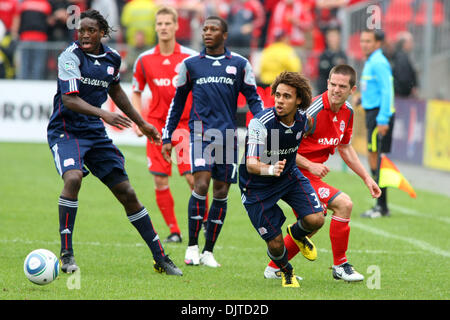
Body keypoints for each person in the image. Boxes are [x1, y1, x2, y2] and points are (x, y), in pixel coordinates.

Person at [47, 9, 182, 276]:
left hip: (94, 133)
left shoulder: (111, 58)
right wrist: (105, 114)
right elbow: (70, 100)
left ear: (102, 33)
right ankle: (67, 255)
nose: (85, 35)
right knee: (73, 178)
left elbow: (115, 89)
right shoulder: (69, 57)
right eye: (81, 30)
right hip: (66, 130)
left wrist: (141, 122)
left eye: (91, 31)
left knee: (128, 193)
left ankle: (160, 258)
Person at [161, 16, 264, 268]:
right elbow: (177, 102)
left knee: (221, 192)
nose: (207, 32)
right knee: (201, 184)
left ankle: (208, 251)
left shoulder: (240, 64)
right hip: (199, 134)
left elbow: (254, 100)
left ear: (224, 35)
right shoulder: (191, 64)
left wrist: (265, 126)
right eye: (205, 28)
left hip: (228, 136)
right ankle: (192, 247)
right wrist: (168, 135)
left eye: (213, 29)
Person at [263, 65, 381, 282]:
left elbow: (345, 147)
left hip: (310, 176)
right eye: (333, 84)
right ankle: (340, 266)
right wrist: (309, 164)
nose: (336, 90)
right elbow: (279, 145)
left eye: (342, 86)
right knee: (344, 204)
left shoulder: (348, 112)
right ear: (327, 83)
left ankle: (274, 267)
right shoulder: (311, 112)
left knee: (312, 223)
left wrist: (366, 177)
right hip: (294, 172)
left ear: (352, 89)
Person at [239, 71, 325, 287]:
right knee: (276, 244)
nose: (279, 100)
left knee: (316, 219)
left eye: (287, 96)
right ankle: (286, 270)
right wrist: (270, 169)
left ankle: (296, 233)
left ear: (298, 101)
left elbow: (306, 130)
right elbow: (251, 163)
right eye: (277, 95)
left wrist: (308, 163)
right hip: (256, 186)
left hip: (288, 177)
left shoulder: (303, 120)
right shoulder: (261, 123)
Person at [131, 6, 198, 243]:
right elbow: (136, 91)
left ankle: (204, 224)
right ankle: (174, 231)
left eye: (168, 23)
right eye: (159, 24)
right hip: (157, 127)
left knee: (193, 178)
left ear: (177, 26)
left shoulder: (190, 58)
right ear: (155, 27)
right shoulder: (144, 59)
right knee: (160, 180)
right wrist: (138, 121)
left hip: (184, 126)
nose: (163, 27)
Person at [359, 28, 395, 218]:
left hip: (379, 116)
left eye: (368, 41)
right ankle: (380, 204)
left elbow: (387, 91)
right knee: (374, 158)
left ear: (377, 43)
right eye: (362, 41)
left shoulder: (379, 62)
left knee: (378, 159)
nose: (364, 44)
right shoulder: (371, 61)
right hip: (372, 112)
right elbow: (372, 88)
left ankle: (381, 206)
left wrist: (383, 119)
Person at [316, 26, 347, 94]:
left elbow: (344, 71)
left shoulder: (342, 55)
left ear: (339, 39)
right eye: (330, 36)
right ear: (327, 39)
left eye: (334, 36)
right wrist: (335, 65)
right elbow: (323, 70)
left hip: (338, 93)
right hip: (324, 92)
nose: (332, 39)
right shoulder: (324, 55)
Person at [391, 31, 418, 98]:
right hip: (401, 95)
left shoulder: (401, 56)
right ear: (404, 43)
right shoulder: (402, 58)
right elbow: (403, 77)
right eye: (410, 42)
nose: (412, 44)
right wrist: (411, 88)